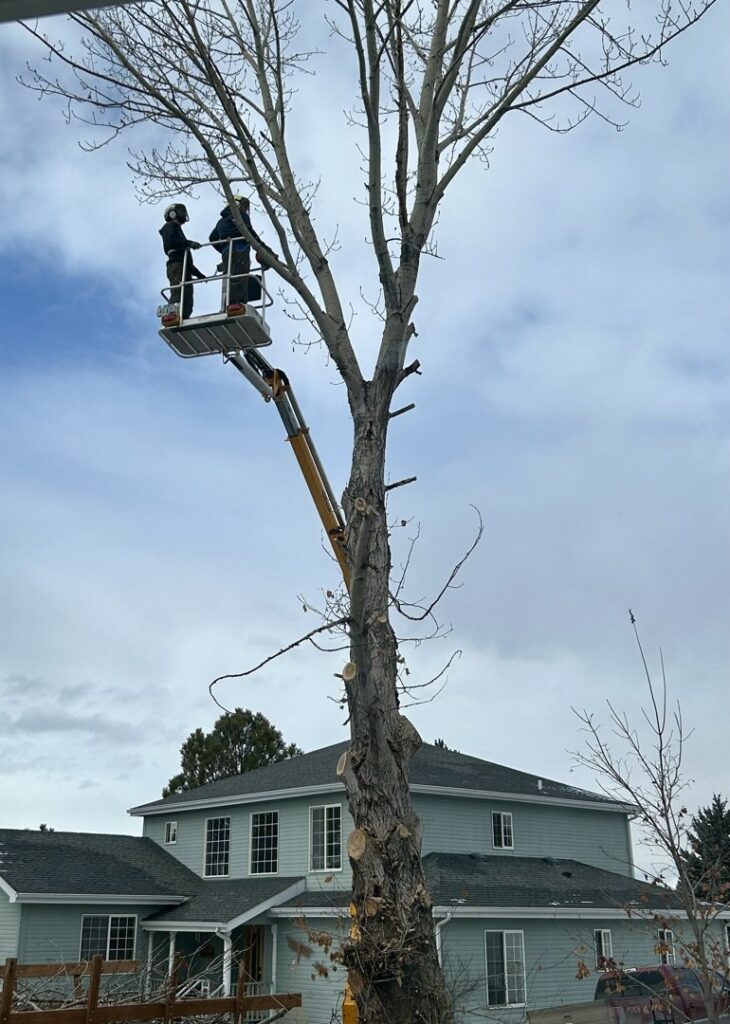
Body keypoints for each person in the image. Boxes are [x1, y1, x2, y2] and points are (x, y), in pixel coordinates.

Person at [209, 195, 276, 308]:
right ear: (236, 204)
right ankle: (235, 304)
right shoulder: (240, 216)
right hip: (240, 250)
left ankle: (231, 303)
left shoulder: (221, 221)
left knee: (232, 277)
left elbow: (212, 238)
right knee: (240, 276)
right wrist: (264, 249)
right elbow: (249, 233)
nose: (245, 209)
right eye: (244, 205)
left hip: (227, 253)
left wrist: (224, 248)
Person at [159, 203, 206, 320]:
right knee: (178, 291)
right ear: (172, 213)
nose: (183, 214)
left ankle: (183, 317)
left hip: (183, 266)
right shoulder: (169, 227)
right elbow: (171, 241)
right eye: (181, 211)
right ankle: (171, 315)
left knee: (188, 297)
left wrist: (199, 274)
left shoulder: (178, 232)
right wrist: (189, 243)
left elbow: (186, 260)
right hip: (176, 266)